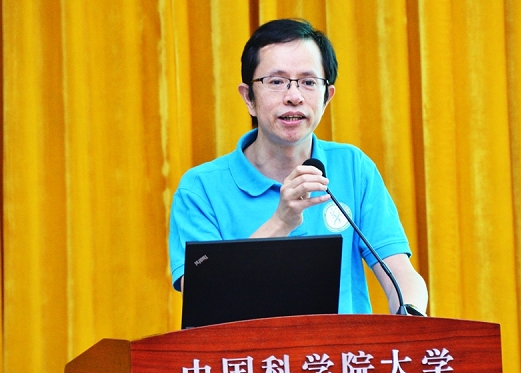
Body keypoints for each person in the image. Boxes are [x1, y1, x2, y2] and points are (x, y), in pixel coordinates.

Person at [169, 18, 428, 315]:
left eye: (308, 82)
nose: (294, 97)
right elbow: (204, 301)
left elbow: (401, 275)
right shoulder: (200, 189)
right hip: (250, 349)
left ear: (327, 97)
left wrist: (411, 315)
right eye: (276, 82)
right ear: (248, 98)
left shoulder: (353, 167)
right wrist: (281, 222)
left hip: (341, 347)